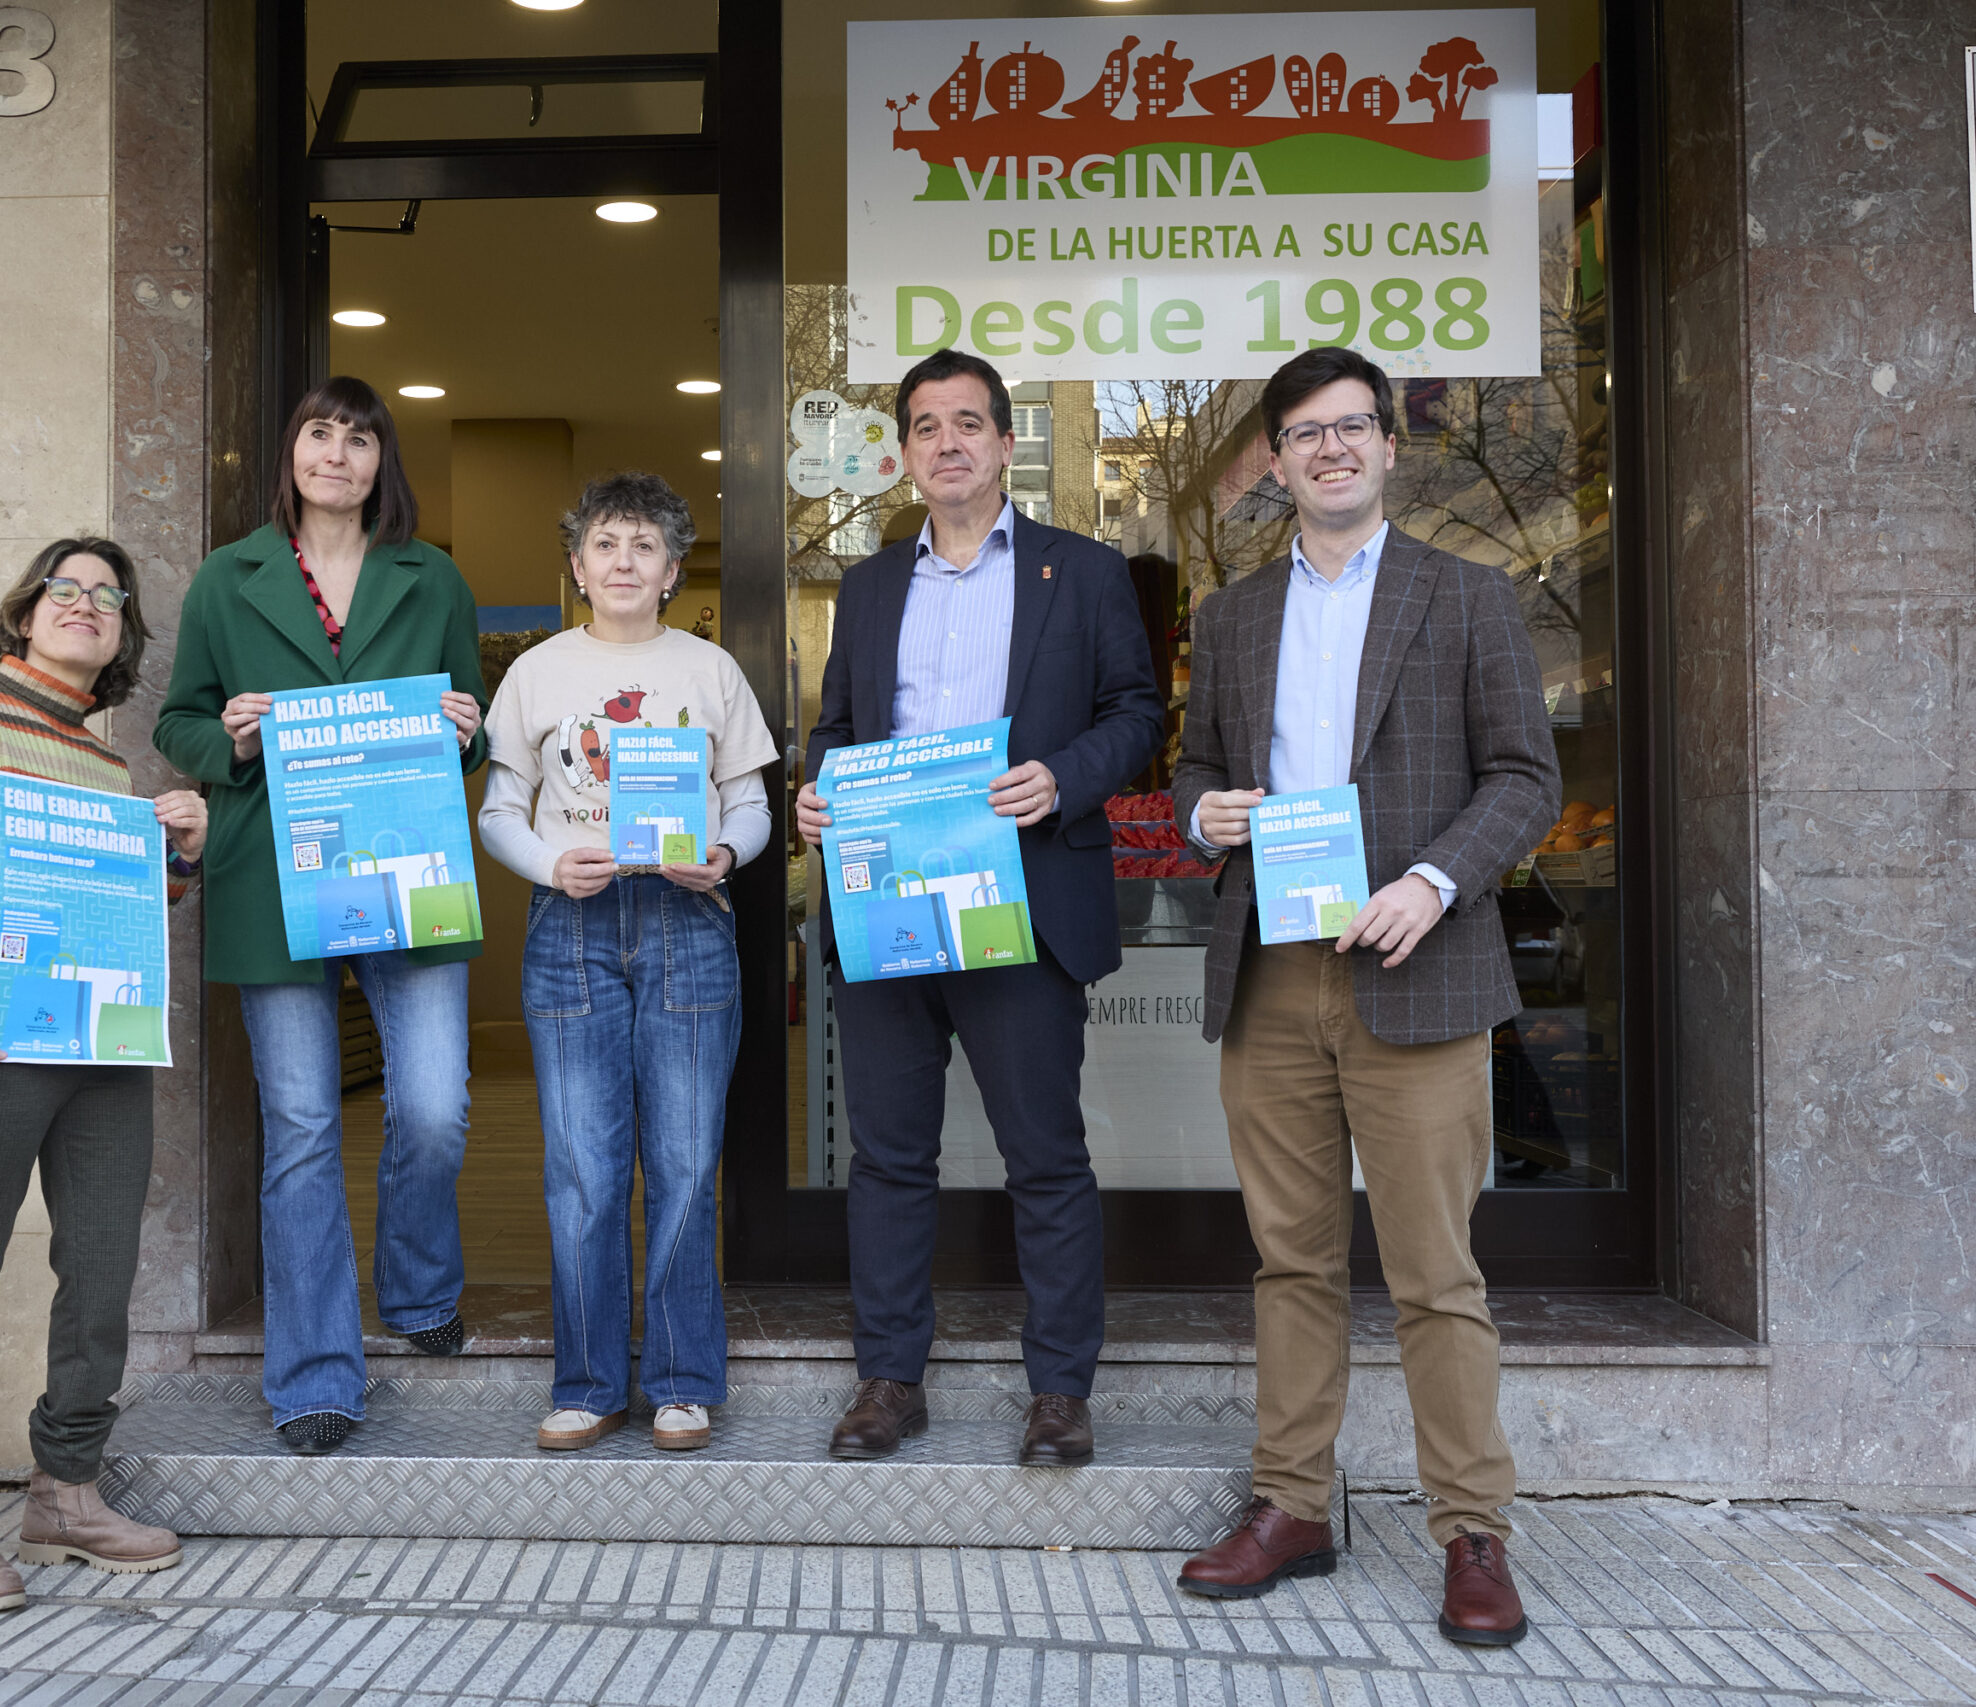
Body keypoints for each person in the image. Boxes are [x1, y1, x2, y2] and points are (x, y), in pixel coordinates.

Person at [1168, 346, 1560, 1646]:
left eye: (1353, 427)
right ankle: (1293, 1503)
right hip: (1273, 970)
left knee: (1437, 1271)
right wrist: (1206, 811)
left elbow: (1522, 776)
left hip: (1417, 965)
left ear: (1392, 447)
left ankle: (1473, 1527)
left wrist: (1438, 878)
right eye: (1304, 432)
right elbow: (1199, 782)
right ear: (1272, 462)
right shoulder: (1228, 621)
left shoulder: (1467, 597)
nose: (1331, 448)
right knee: (1293, 1258)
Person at [796, 350, 1162, 1468]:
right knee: (889, 1156)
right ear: (903, 454)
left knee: (1043, 1155)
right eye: (923, 426)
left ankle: (1058, 1390)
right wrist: (819, 794)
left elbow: (1138, 712)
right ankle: (888, 1379)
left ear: (1006, 444)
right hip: (888, 907)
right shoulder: (866, 586)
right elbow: (839, 729)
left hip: (1023, 900)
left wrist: (1062, 777)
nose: (946, 442)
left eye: (968, 422)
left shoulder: (1082, 571)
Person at [154, 377, 491, 1456]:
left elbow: (468, 728)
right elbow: (179, 721)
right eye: (317, 433)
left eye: (358, 438)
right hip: (273, 880)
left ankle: (419, 1285)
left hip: (408, 870)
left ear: (383, 462)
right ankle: (311, 1376)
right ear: (289, 454)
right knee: (301, 1132)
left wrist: (466, 725)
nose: (336, 454)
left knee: (434, 1107)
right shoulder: (227, 578)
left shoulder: (430, 577)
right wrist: (233, 741)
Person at [0, 537, 207, 1614]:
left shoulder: (109, 766)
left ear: (121, 634)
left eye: (106, 597)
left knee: (101, 1276)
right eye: (65, 590)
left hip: (103, 1053)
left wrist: (179, 853)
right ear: (25, 613)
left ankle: (66, 1490)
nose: (85, 605)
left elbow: (122, 916)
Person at [478, 472, 778, 1454]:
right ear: (576, 566)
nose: (622, 561)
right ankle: (589, 1381)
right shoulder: (536, 672)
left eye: (642, 546)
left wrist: (726, 855)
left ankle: (684, 1381)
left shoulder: (710, 669)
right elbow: (496, 811)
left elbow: (750, 802)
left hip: (690, 920)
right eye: (604, 544)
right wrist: (549, 863)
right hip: (572, 922)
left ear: (670, 568)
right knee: (581, 1167)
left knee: (687, 1161)